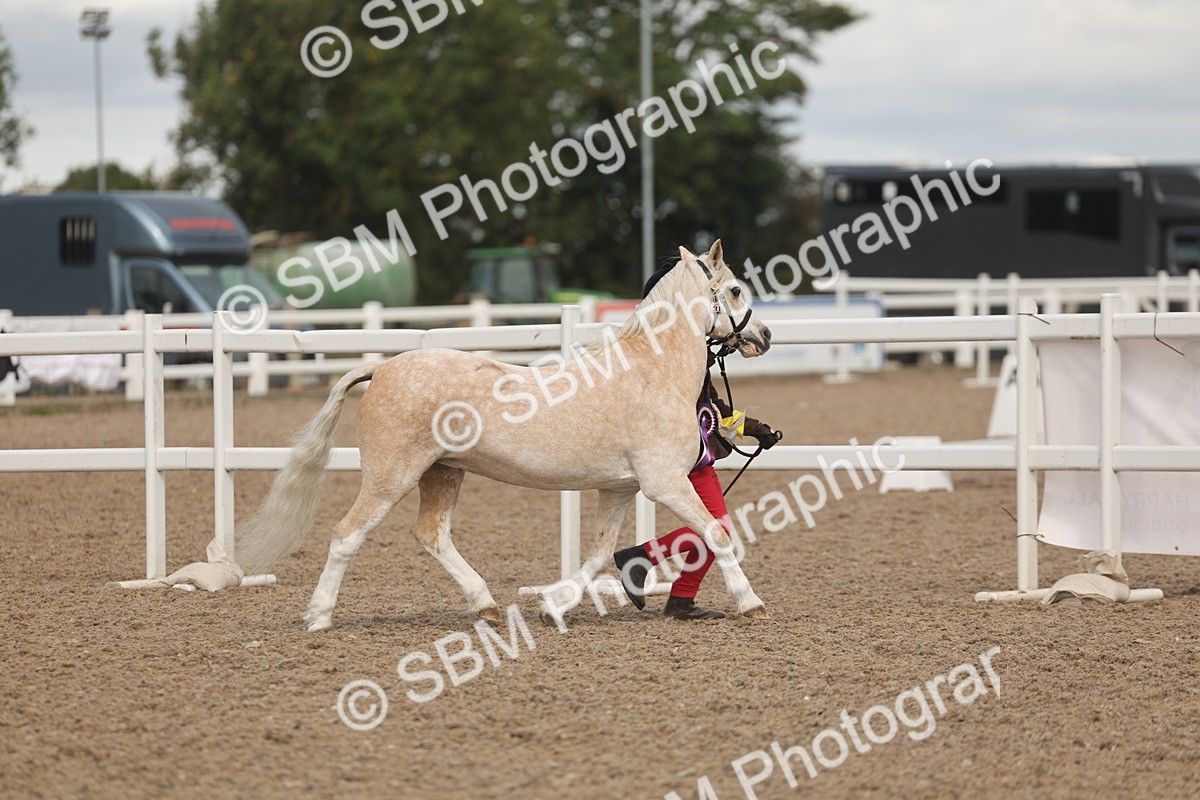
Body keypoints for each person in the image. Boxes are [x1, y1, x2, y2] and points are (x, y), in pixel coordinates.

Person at [613, 262, 782, 620]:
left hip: (695, 452)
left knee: (716, 527)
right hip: (681, 455)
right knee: (718, 528)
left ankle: (676, 594)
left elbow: (715, 412)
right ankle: (644, 561)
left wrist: (753, 428)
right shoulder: (670, 361)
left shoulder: (688, 358)